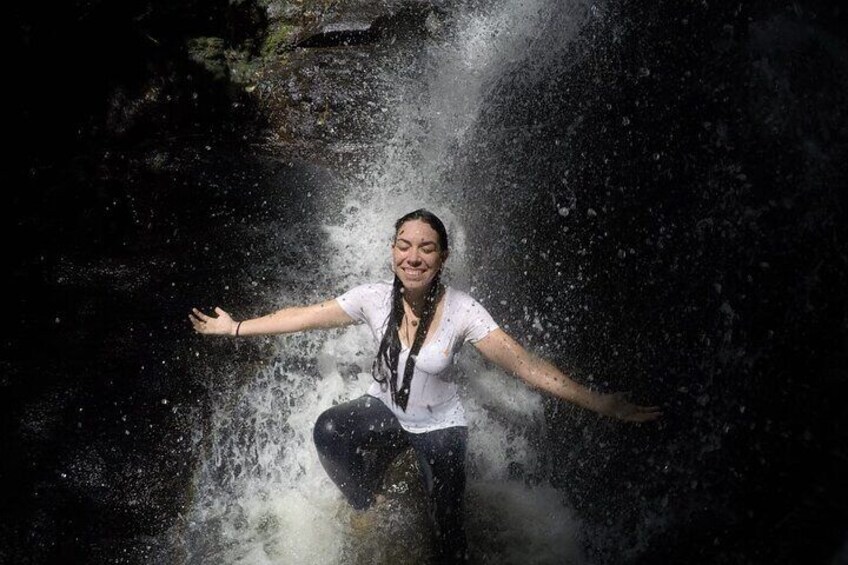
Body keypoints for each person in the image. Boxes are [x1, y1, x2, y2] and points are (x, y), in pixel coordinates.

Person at [189, 208, 661, 563]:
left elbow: (522, 364)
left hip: (440, 428)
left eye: (426, 248)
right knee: (330, 431)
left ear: (442, 256)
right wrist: (236, 328)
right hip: (386, 411)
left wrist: (598, 401)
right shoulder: (372, 299)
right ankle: (364, 504)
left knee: (447, 535)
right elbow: (304, 317)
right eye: (403, 245)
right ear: (393, 250)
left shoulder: (463, 311)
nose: (412, 257)